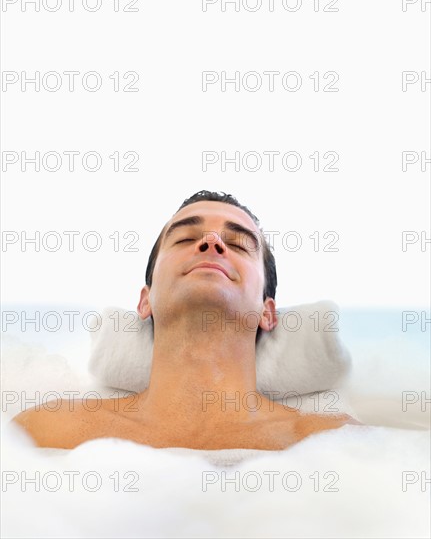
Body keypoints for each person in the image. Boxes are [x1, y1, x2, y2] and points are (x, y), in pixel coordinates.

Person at [12, 190, 361, 450]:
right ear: (145, 300)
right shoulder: (46, 431)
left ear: (267, 312)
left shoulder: (334, 444)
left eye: (238, 244)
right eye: (185, 238)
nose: (211, 242)